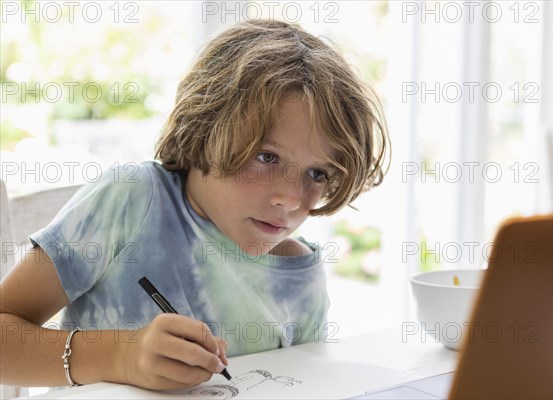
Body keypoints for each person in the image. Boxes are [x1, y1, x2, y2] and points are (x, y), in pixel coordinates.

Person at [0, 19, 389, 391]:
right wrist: (121, 356)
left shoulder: (300, 278)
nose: (290, 199)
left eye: (317, 173)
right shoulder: (131, 199)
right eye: (267, 157)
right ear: (205, 128)